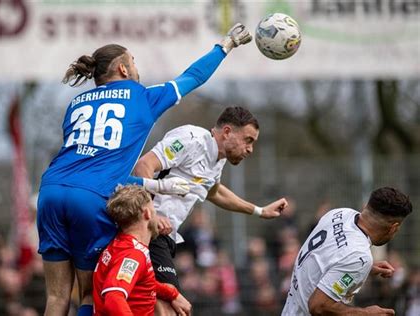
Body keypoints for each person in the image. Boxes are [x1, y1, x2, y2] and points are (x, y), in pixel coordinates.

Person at [36, 23, 252, 315]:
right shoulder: (141, 96)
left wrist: (157, 186)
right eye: (133, 61)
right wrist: (224, 46)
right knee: (88, 294)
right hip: (90, 197)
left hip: (49, 191)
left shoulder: (76, 103)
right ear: (124, 69)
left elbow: (84, 158)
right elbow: (193, 77)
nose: (137, 68)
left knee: (57, 298)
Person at [133, 106, 289, 314]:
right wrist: (152, 214)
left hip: (165, 235)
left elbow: (214, 192)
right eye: (248, 140)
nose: (250, 149)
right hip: (149, 231)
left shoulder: (217, 159)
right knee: (170, 306)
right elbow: (143, 166)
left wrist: (259, 211)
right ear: (227, 132)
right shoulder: (191, 139)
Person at [281, 187, 413, 315]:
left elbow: (325, 259)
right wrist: (366, 313)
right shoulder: (359, 256)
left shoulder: (339, 214)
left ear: (367, 206)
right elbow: (318, 306)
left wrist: (364, 270)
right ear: (394, 227)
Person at [93, 185, 191, 316]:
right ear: (147, 213)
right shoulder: (133, 255)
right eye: (155, 210)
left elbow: (142, 282)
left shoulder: (122, 245)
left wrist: (172, 294)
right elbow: (113, 297)